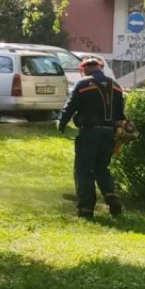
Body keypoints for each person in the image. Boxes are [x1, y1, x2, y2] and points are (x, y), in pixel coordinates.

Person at [59, 56, 126, 219]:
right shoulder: (116, 86)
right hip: (109, 133)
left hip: (89, 132)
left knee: (84, 170)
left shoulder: (83, 84)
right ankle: (111, 197)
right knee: (102, 168)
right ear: (100, 68)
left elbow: (70, 106)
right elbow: (120, 114)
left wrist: (61, 123)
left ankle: (86, 209)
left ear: (84, 69)